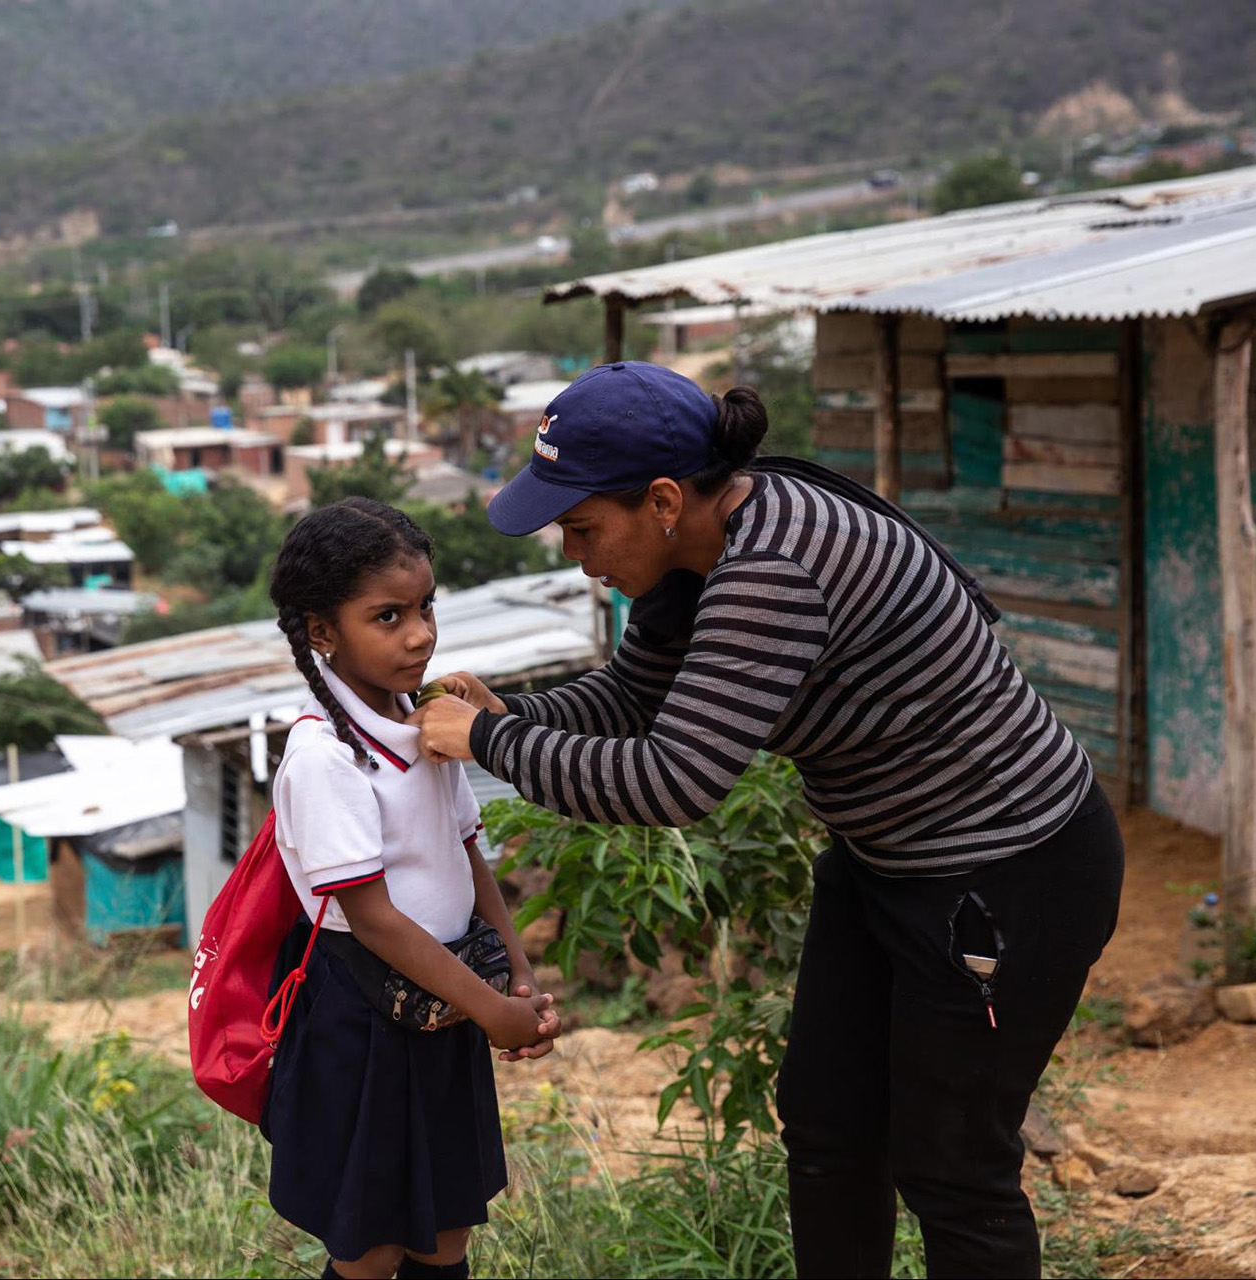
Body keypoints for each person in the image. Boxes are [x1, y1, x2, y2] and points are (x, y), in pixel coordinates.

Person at [412, 362, 1123, 1280]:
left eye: (582, 527)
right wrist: (517, 715)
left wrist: (488, 743)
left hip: (1009, 874)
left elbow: (676, 780)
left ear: (664, 499)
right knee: (828, 1126)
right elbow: (638, 695)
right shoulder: (702, 546)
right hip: (886, 862)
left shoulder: (774, 567)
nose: (572, 553)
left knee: (954, 1165)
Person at [264, 497, 562, 1280]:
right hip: (366, 1018)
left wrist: (516, 973)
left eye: (426, 606)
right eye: (388, 616)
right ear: (321, 632)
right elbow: (375, 922)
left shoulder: (429, 725)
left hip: (448, 999)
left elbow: (469, 856)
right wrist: (492, 1009)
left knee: (446, 1231)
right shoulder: (325, 756)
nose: (421, 633)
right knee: (372, 1245)